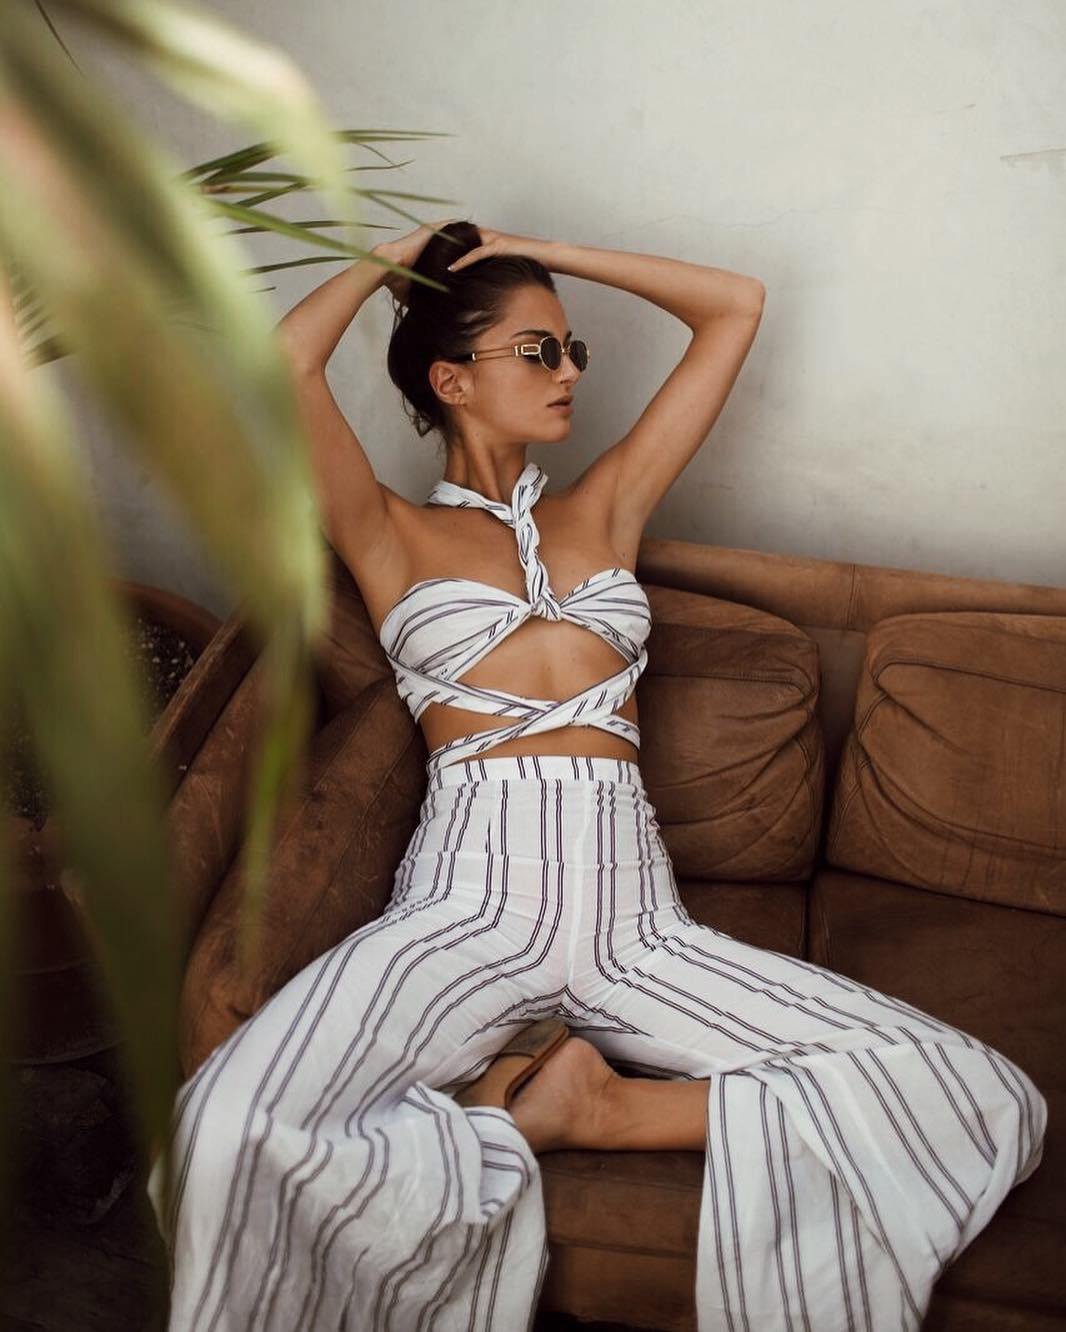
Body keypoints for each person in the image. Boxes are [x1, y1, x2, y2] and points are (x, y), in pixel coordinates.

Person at [147, 220, 1046, 1330]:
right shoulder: (388, 535)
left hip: (636, 930)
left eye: (573, 349)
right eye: (539, 351)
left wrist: (534, 247)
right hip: (467, 908)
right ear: (451, 380)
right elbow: (288, 359)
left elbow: (735, 305)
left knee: (980, 1091)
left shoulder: (605, 511)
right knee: (229, 1121)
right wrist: (400, 254)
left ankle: (597, 1112)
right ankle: (491, 1127)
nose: (570, 371)